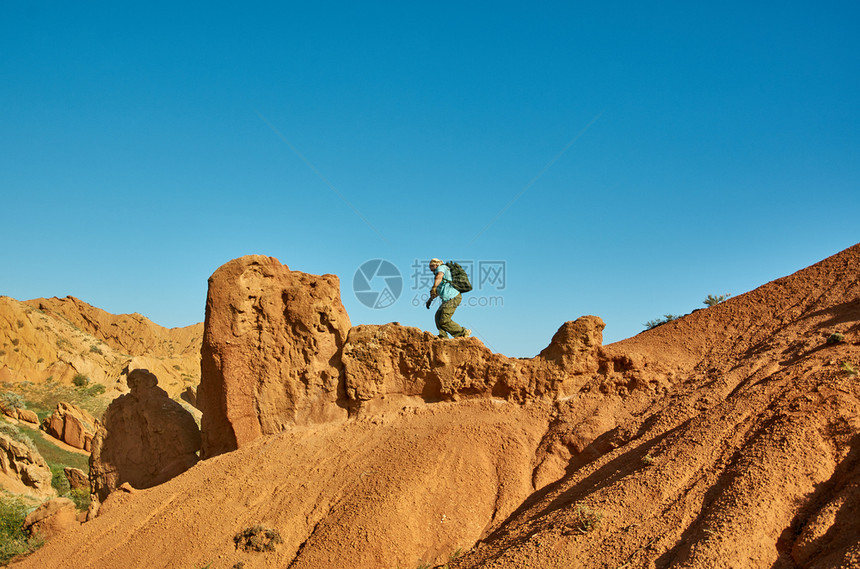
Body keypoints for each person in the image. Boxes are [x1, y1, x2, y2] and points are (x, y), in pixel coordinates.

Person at [425, 258, 471, 339]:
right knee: (438, 317)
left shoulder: (441, 268)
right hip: (447, 299)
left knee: (444, 320)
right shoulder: (440, 279)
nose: (430, 268)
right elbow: (436, 292)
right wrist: (429, 300)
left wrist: (434, 286)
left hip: (453, 297)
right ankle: (443, 337)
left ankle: (463, 332)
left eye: (431, 266)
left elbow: (439, 276)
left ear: (435, 265)